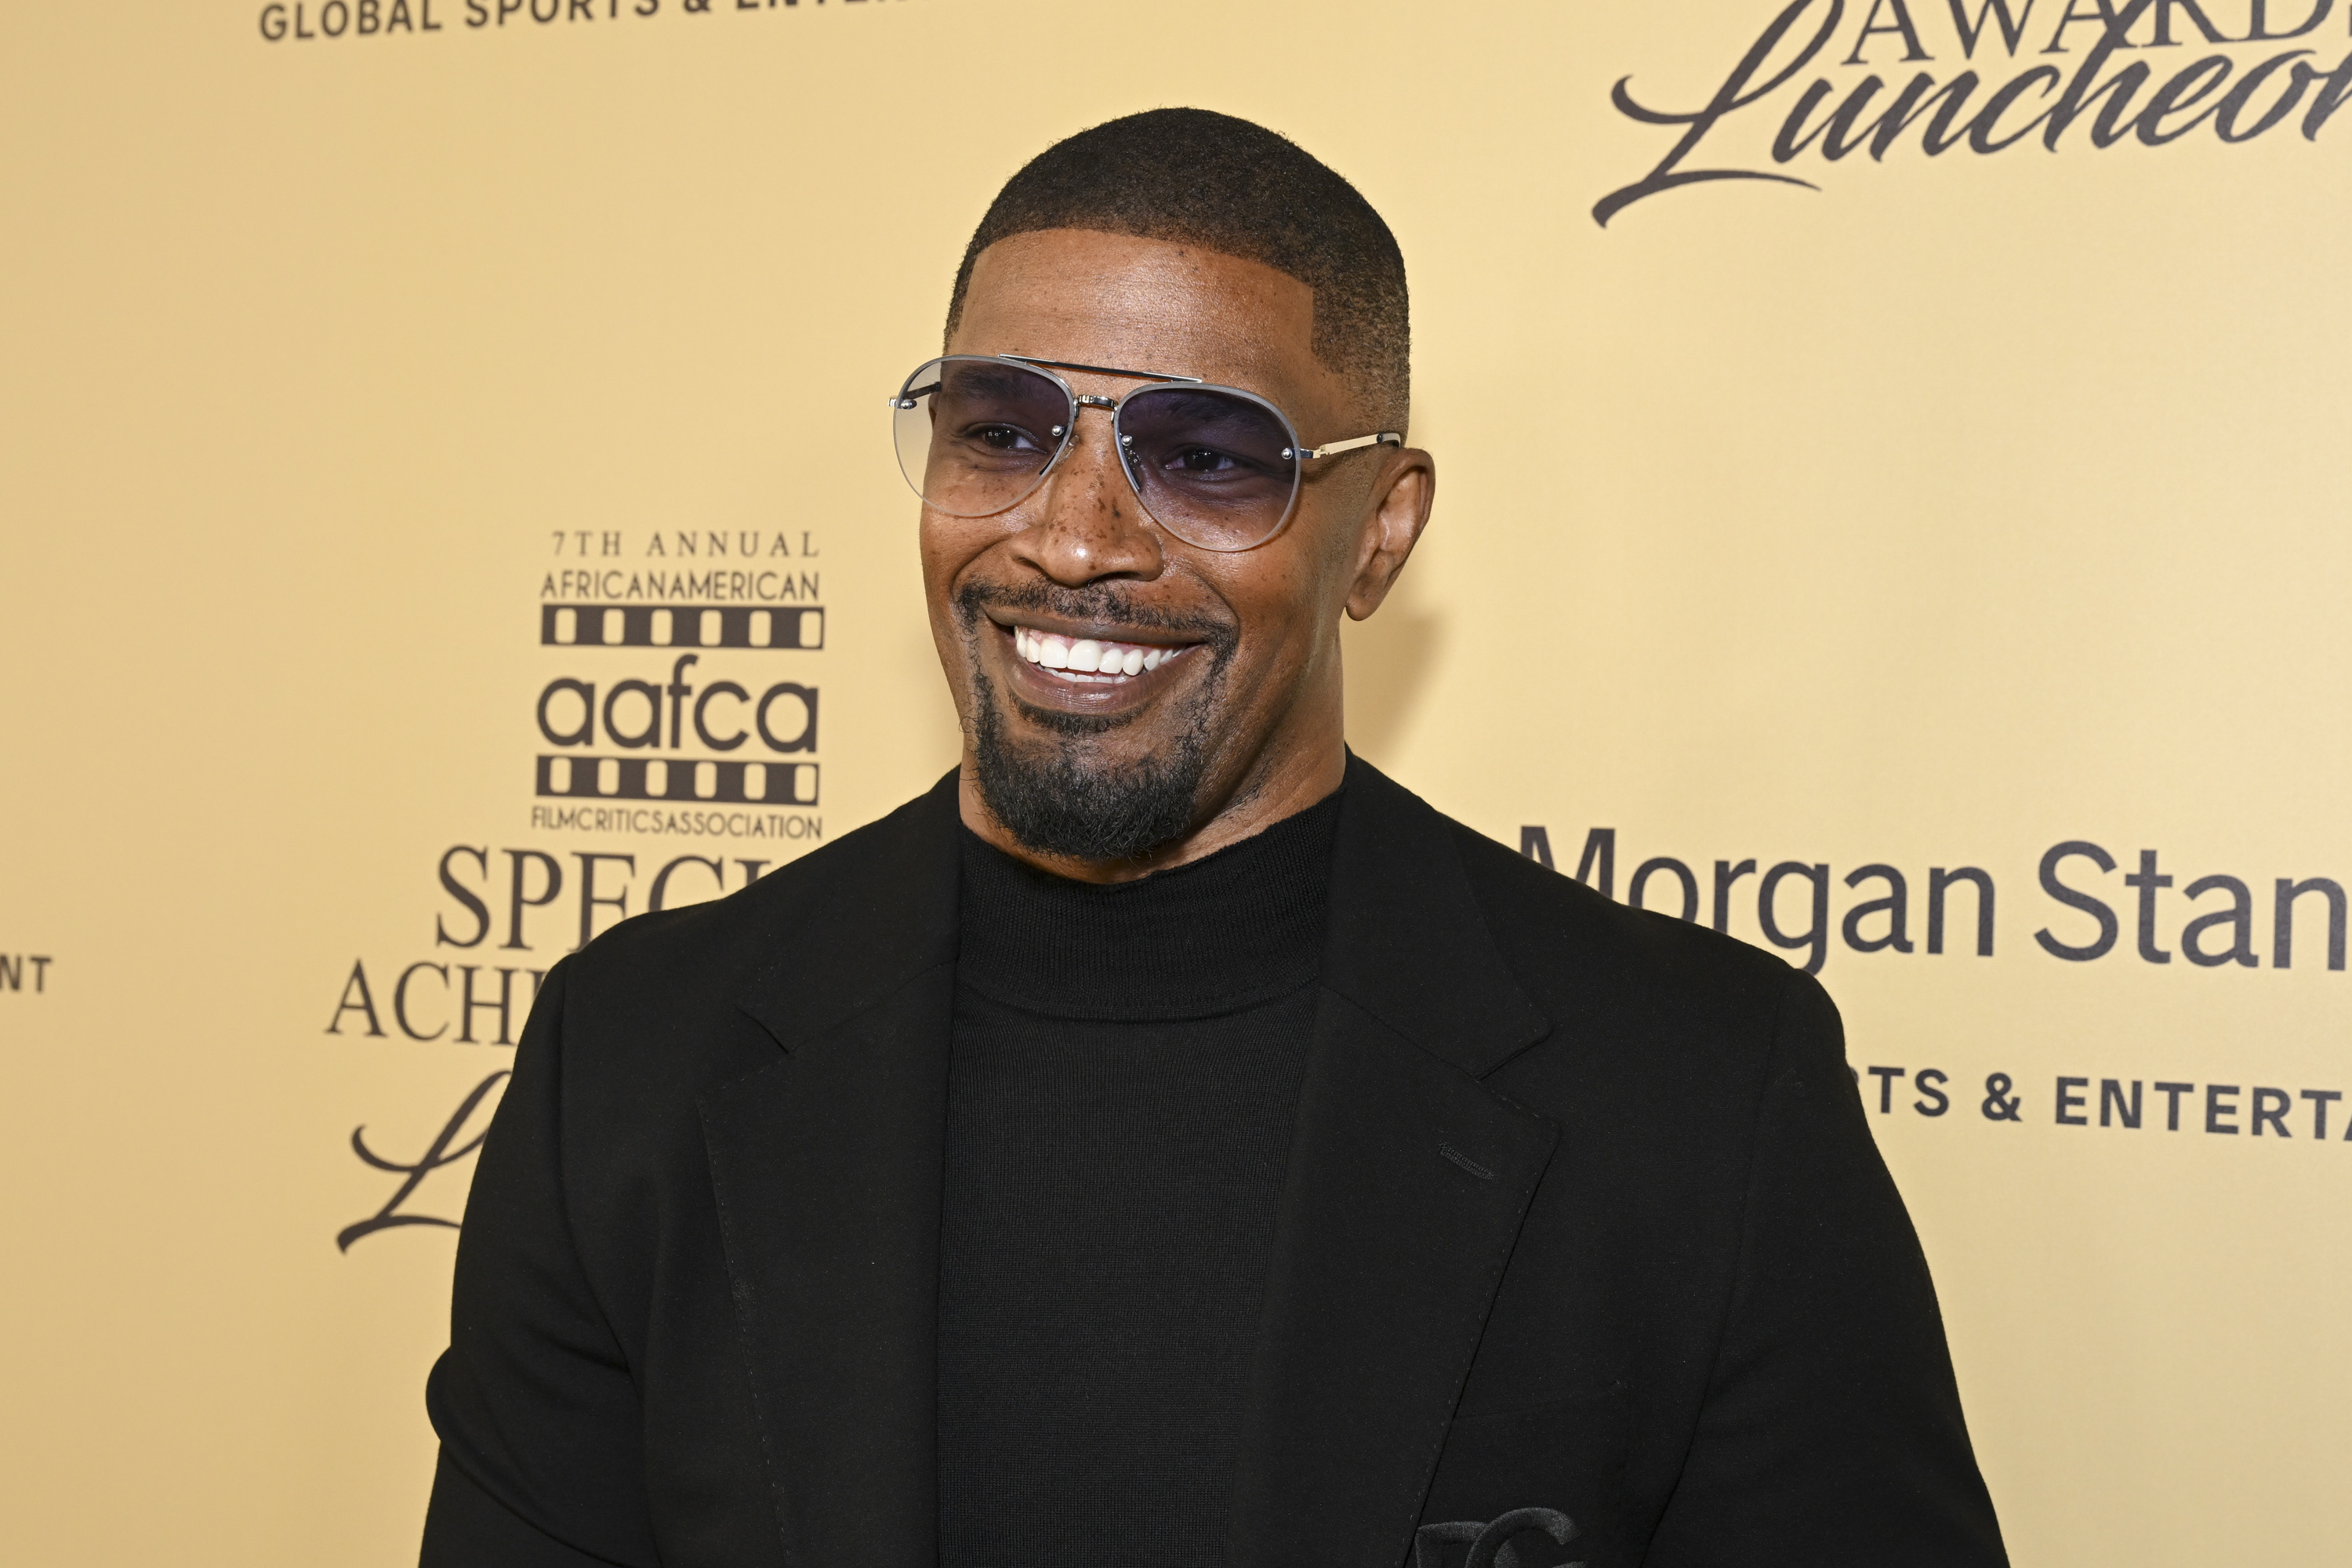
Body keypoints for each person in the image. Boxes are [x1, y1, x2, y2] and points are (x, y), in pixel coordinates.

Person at [419, 108, 2007, 1568]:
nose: (1074, 535)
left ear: (1377, 529)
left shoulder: (1699, 1094)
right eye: (1002, 427)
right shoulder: (632, 1058)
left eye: (1207, 456)